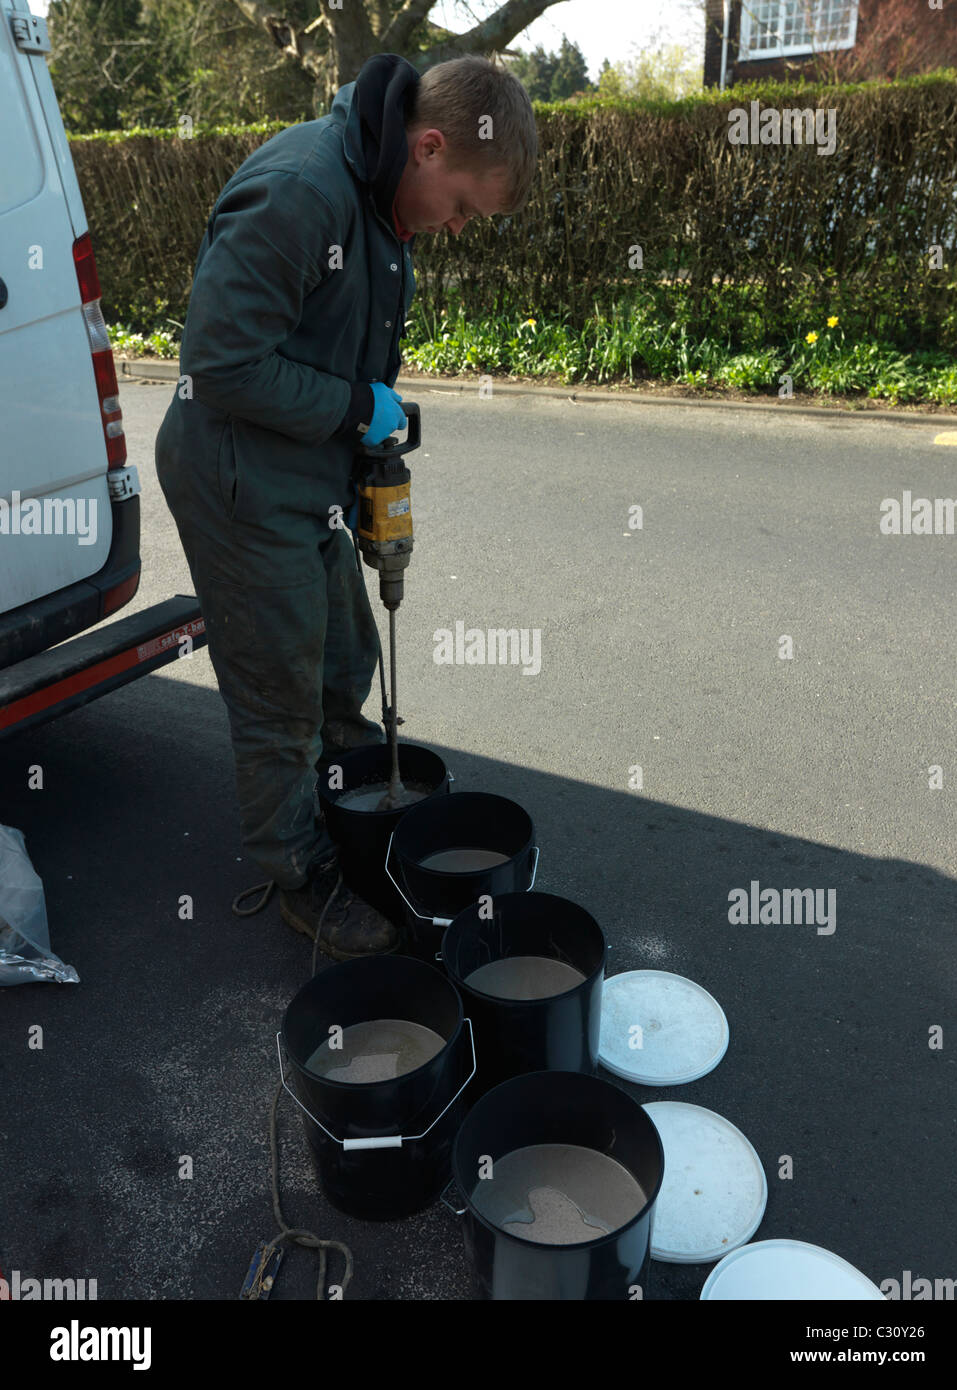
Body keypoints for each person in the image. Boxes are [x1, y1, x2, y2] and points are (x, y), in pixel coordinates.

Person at [154, 52, 537, 960]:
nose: (451, 228)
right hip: (238, 473)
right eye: (460, 208)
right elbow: (221, 362)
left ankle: (348, 813)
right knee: (281, 683)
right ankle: (302, 876)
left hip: (309, 468)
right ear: (430, 144)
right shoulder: (302, 190)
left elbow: (347, 351)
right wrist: (354, 409)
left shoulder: (380, 199)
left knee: (343, 659)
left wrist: (369, 448)